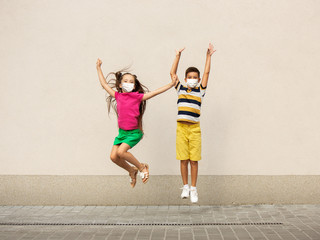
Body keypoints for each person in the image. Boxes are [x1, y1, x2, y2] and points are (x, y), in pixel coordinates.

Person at [96, 58, 177, 188]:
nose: (128, 83)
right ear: (120, 84)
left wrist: (171, 84)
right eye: (126, 81)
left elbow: (155, 92)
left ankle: (141, 167)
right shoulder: (118, 96)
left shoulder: (137, 97)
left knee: (121, 152)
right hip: (122, 133)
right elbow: (105, 85)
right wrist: (98, 68)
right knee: (113, 157)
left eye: (131, 82)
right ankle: (131, 170)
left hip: (134, 133)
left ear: (134, 86)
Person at [170, 43, 216, 203]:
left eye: (194, 77)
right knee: (183, 159)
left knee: (194, 160)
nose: (192, 79)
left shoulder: (200, 90)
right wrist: (178, 56)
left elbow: (207, 73)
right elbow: (172, 73)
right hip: (181, 128)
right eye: (189, 77)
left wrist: (208, 56)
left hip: (194, 129)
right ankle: (185, 186)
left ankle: (194, 188)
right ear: (185, 79)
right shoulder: (180, 89)